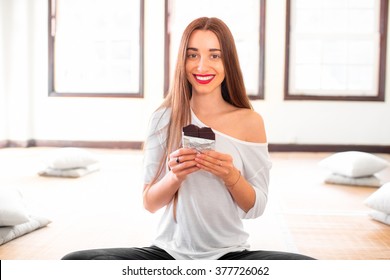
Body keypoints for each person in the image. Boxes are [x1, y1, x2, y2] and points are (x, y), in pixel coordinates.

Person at [62, 17, 315, 260]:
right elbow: (149, 203)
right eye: (192, 55)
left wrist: (231, 176)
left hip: (230, 258)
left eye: (214, 55)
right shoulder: (163, 118)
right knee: (75, 261)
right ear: (182, 61)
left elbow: (256, 208)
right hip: (167, 255)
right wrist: (175, 176)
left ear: (228, 61)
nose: (202, 66)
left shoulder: (250, 121)